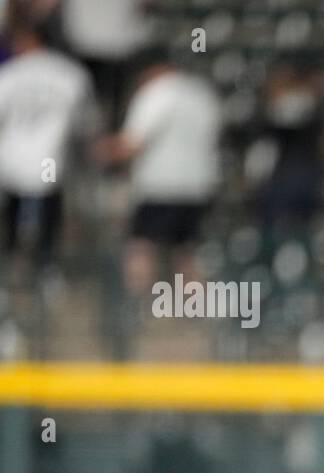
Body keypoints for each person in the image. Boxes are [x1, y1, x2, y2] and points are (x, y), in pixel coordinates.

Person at [96, 51, 221, 302]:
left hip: (161, 186)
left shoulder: (156, 93)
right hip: (199, 185)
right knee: (187, 251)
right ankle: (196, 314)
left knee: (141, 247)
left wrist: (98, 150)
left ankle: (137, 308)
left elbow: (132, 143)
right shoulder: (202, 93)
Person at [0, 10, 96, 270]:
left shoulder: (10, 73)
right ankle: (46, 268)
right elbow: (85, 123)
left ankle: (13, 268)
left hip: (13, 158)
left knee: (13, 214)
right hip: (51, 158)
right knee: (49, 216)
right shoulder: (70, 74)